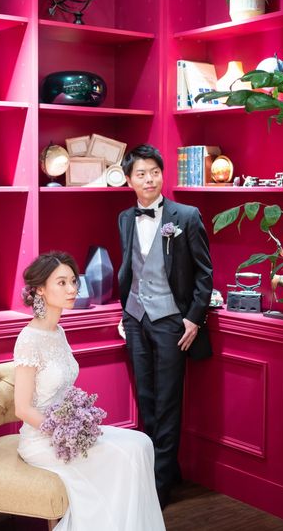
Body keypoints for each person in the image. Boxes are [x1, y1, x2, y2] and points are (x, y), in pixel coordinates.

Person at [13, 251, 166, 531]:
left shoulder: (57, 332)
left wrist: (78, 424)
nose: (72, 289)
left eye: (73, 281)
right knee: (126, 456)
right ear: (40, 290)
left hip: (69, 433)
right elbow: (22, 408)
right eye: (62, 283)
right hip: (41, 441)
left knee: (142, 443)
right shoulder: (28, 340)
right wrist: (61, 431)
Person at [118, 144, 213, 508]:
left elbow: (205, 273)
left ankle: (158, 488)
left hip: (173, 321)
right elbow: (131, 268)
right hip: (135, 318)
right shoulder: (125, 218)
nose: (149, 179)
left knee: (168, 401)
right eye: (141, 174)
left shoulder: (185, 216)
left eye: (154, 172)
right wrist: (125, 312)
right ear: (129, 180)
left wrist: (193, 318)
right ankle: (162, 470)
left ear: (162, 175)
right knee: (146, 399)